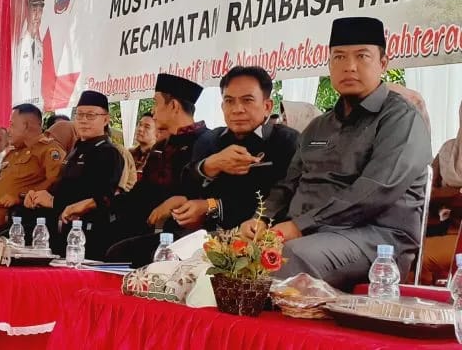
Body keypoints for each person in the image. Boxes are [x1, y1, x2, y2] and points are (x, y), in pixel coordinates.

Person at [239, 17, 432, 290]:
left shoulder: (401, 119)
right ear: (329, 64)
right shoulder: (319, 126)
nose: (349, 66)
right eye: (339, 57)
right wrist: (260, 219)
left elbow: (376, 190)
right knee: (227, 252)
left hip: (377, 240)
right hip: (309, 234)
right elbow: (287, 186)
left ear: (383, 63)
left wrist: (299, 226)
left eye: (362, 56)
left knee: (286, 258)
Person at [166, 66, 299, 233]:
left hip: (259, 237)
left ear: (267, 106)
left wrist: (212, 206)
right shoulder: (209, 140)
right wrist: (209, 166)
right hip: (203, 236)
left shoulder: (287, 141)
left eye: (247, 100)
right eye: (229, 101)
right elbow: (185, 184)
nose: (237, 109)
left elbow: (282, 196)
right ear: (222, 106)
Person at [106, 74, 208, 264]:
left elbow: (206, 195)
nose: (152, 111)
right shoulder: (161, 147)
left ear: (174, 106)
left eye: (156, 103)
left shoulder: (206, 142)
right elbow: (141, 193)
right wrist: (100, 203)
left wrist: (180, 201)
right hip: (146, 227)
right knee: (100, 237)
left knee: (118, 253)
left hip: (186, 237)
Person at [24, 91, 124, 258]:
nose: (83, 120)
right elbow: (64, 186)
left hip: (86, 237)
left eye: (90, 115)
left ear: (106, 119)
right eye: (80, 114)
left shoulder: (108, 153)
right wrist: (38, 196)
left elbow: (102, 197)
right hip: (61, 230)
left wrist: (54, 201)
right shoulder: (77, 148)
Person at [0, 104, 64, 233]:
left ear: (26, 126)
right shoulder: (13, 153)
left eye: (12, 125)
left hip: (12, 218)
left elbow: (56, 182)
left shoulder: (48, 150)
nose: (9, 130)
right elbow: (1, 188)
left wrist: (21, 197)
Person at [421, 100, 462, 284]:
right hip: (444, 229)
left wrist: (448, 196)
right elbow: (426, 189)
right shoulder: (448, 150)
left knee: (420, 256)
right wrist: (453, 195)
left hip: (457, 238)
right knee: (407, 251)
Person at [14, 0, 48, 107]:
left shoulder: (41, 47)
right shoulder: (18, 45)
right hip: (20, 108)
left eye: (40, 10)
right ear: (27, 10)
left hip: (36, 109)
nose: (37, 16)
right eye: (34, 10)